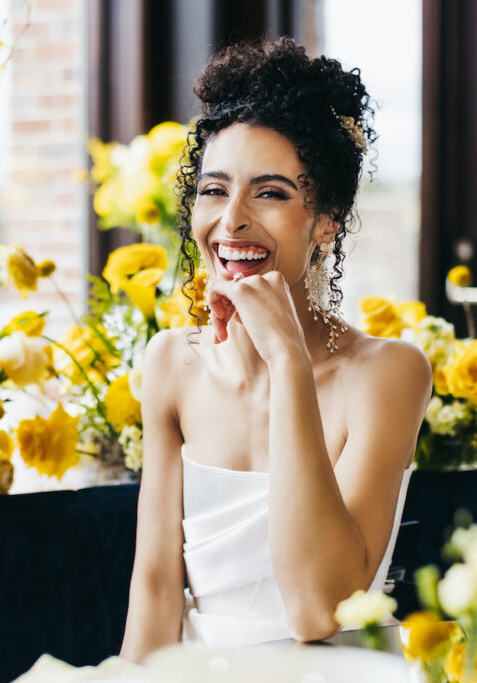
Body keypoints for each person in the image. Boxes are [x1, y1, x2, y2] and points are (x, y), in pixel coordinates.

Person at [119, 37, 431, 663]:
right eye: (213, 189)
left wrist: (287, 359)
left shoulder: (388, 373)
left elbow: (321, 610)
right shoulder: (169, 364)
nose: (231, 220)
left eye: (270, 192)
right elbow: (155, 593)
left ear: (325, 221)